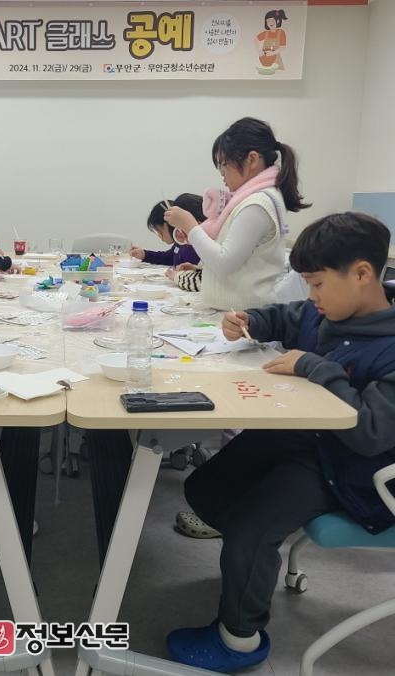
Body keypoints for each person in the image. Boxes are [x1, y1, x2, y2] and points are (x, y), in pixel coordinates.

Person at [167, 212, 395, 672]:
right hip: (302, 441)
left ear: (362, 274)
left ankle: (239, 639)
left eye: (318, 284)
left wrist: (313, 365)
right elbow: (285, 317)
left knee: (250, 530)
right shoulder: (325, 312)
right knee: (205, 488)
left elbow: (370, 432)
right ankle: (250, 560)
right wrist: (247, 319)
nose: (312, 297)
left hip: (349, 469)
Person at [165, 116, 309, 311]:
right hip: (236, 313)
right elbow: (240, 262)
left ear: (252, 159)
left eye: (224, 164)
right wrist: (202, 268)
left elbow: (224, 263)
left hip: (245, 315)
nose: (221, 172)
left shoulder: (257, 204)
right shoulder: (251, 200)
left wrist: (191, 227)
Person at [130, 193, 204, 268]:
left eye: (159, 231)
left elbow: (195, 271)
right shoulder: (180, 244)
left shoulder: (193, 246)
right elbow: (169, 257)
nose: (159, 236)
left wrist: (178, 274)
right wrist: (145, 255)